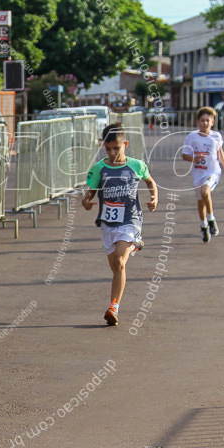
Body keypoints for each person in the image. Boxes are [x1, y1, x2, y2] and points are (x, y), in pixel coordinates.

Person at [82, 123, 158, 326]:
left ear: (125, 144)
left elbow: (151, 182)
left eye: (116, 148)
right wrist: (86, 200)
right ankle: (135, 245)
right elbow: (90, 191)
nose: (112, 152)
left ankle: (114, 306)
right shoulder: (99, 168)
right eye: (108, 149)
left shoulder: (136, 165)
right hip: (108, 223)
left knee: (120, 262)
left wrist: (154, 198)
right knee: (115, 268)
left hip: (130, 220)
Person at [180, 107, 224, 242]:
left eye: (207, 120)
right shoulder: (192, 137)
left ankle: (211, 219)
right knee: (200, 200)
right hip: (198, 172)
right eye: (202, 120)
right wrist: (194, 159)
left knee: (205, 191)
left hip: (212, 171)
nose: (205, 123)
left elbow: (220, 152)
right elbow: (184, 155)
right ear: (198, 122)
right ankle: (203, 225)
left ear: (212, 122)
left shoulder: (216, 136)